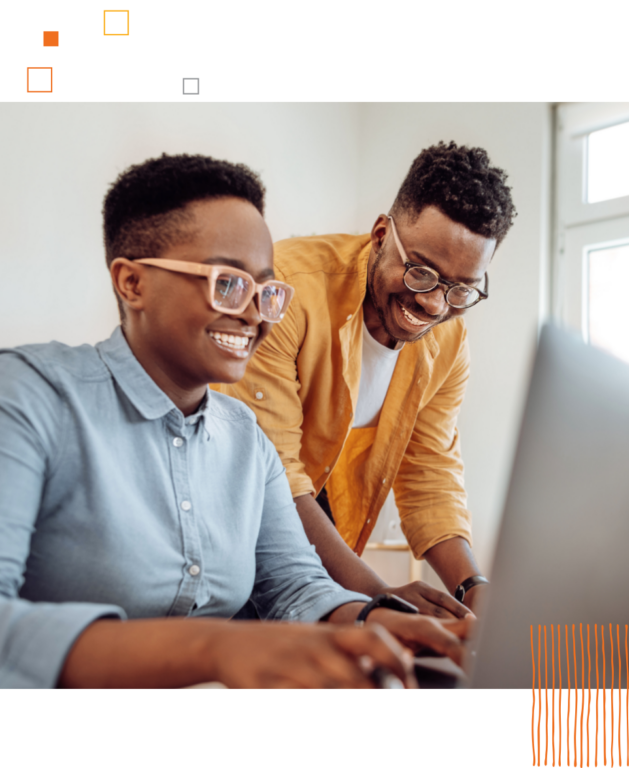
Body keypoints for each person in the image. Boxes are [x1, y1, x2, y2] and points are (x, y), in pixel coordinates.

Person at [0, 153, 472, 690]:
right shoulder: (28, 397)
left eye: (266, 291)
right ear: (131, 283)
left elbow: (294, 586)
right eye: (227, 283)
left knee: (564, 726)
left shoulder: (246, 439)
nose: (253, 312)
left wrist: (377, 621)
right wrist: (215, 648)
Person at [213, 142, 517, 619]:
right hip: (236, 549)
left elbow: (430, 473)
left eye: (460, 289)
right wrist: (380, 599)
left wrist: (474, 590)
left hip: (325, 563)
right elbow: (271, 476)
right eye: (421, 273)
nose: (435, 305)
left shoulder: (450, 343)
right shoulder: (286, 289)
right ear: (381, 235)